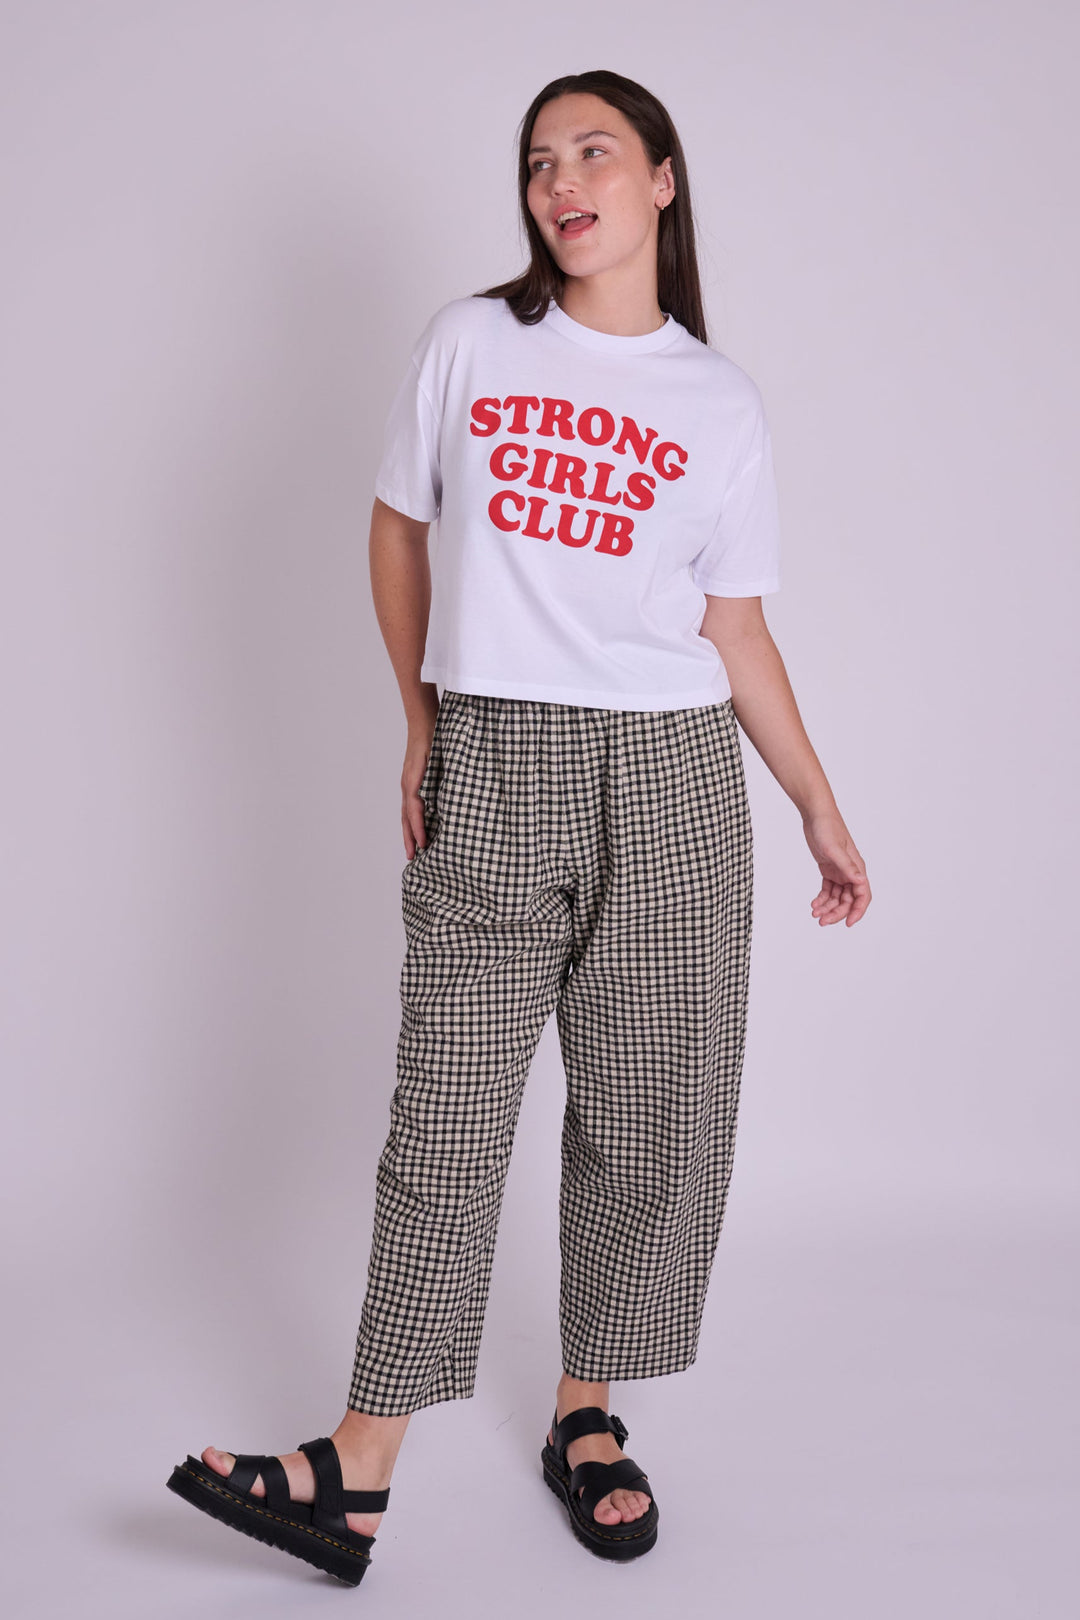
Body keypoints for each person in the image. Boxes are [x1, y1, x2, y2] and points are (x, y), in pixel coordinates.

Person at [167, 68, 871, 1586]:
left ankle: (589, 1416)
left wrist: (815, 800)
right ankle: (353, 1472)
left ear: (664, 182)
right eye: (539, 161)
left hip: (677, 777)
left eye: (594, 154)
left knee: (649, 1112)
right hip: (496, 755)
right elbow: (398, 523)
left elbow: (735, 627)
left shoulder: (717, 400)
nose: (561, 183)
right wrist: (423, 721)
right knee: (448, 1117)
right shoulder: (472, 344)